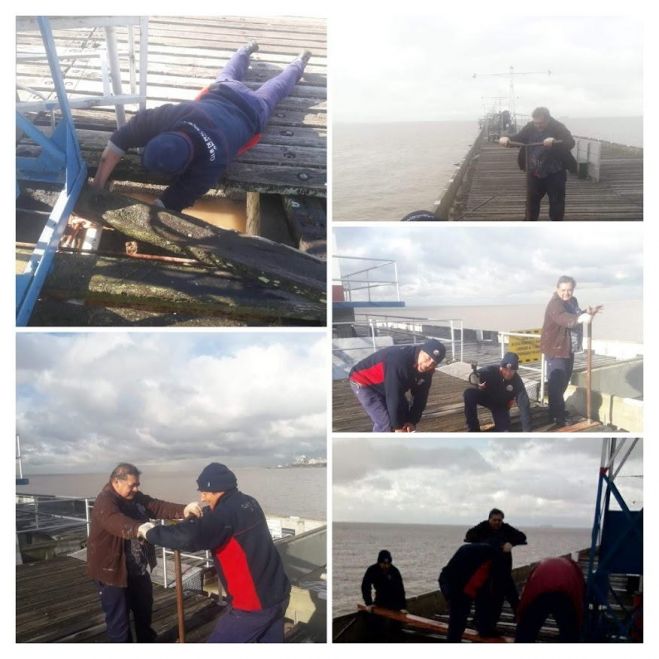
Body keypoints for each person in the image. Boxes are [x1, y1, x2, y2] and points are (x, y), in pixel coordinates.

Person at [91, 42, 312, 211]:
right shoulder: (169, 116)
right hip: (224, 93)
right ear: (160, 134)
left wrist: (98, 191)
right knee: (238, 78)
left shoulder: (212, 163)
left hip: (252, 111)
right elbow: (120, 140)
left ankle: (262, 53)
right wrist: (98, 187)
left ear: (186, 167)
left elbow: (170, 203)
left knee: (271, 90)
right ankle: (286, 59)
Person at [144, 463, 291, 643]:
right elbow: (221, 518)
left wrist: (150, 532)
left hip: (252, 605)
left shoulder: (223, 515)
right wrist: (198, 514)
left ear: (218, 490)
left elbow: (189, 538)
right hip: (278, 592)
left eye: (205, 493)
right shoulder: (249, 501)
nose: (202, 498)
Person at [86, 463, 200, 642]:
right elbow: (113, 520)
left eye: (138, 484)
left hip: (138, 569)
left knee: (144, 613)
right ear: (116, 482)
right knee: (119, 622)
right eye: (132, 485)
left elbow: (157, 506)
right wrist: (138, 528)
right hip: (112, 572)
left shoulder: (135, 497)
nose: (136, 488)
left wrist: (184, 509)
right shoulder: (105, 500)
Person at [540, 275, 603, 427]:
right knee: (556, 383)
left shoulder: (572, 301)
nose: (566, 293)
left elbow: (575, 314)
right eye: (563, 290)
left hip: (569, 348)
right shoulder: (555, 304)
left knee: (564, 382)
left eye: (569, 290)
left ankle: (555, 410)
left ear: (573, 290)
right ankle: (558, 415)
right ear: (557, 289)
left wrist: (586, 312)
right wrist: (582, 318)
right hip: (556, 349)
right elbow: (564, 319)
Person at [348, 339, 446, 432]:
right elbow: (394, 396)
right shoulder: (399, 361)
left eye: (433, 363)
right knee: (385, 423)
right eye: (427, 358)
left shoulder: (428, 370)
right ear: (421, 351)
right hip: (363, 380)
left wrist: (412, 421)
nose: (427, 364)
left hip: (386, 383)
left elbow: (421, 397)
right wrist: (397, 427)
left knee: (404, 412)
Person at [498, 107, 577, 220]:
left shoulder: (558, 127)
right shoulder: (530, 127)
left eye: (541, 123)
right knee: (531, 203)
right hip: (534, 172)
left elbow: (570, 143)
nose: (538, 125)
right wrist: (506, 138)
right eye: (536, 123)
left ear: (548, 119)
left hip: (555, 173)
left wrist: (554, 141)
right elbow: (518, 138)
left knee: (557, 204)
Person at [465, 509, 527, 623]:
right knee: (482, 595)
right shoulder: (482, 527)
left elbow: (522, 536)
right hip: (485, 567)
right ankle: (477, 619)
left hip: (503, 566)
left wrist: (511, 543)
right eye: (494, 520)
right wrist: (499, 544)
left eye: (499, 520)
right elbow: (469, 536)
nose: (497, 523)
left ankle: (521, 617)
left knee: (510, 593)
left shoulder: (505, 527)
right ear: (489, 519)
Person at [438, 543, 506, 641]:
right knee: (458, 620)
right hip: (457, 586)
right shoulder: (465, 559)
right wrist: (450, 596)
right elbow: (445, 578)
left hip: (474, 582)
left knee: (483, 604)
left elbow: (504, 586)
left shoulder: (493, 560)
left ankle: (484, 629)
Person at [515, 557, 585, 642]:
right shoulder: (575, 572)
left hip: (541, 594)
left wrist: (521, 615)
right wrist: (578, 621)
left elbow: (528, 594)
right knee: (569, 631)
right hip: (563, 596)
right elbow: (577, 599)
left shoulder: (539, 566)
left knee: (527, 629)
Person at [463, 352, 532, 432]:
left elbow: (524, 405)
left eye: (512, 371)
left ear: (515, 370)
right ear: (501, 367)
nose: (508, 373)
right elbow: (477, 374)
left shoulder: (517, 381)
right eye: (505, 370)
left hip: (500, 406)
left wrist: (527, 431)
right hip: (486, 397)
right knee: (469, 393)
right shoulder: (491, 370)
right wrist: (473, 378)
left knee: (504, 431)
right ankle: (473, 429)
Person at [360, 550, 407, 640]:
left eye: (387, 564)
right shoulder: (372, 570)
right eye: (383, 563)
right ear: (379, 562)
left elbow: (401, 590)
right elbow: (365, 586)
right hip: (380, 601)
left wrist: (403, 607)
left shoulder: (394, 571)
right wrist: (368, 603)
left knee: (396, 628)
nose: (385, 566)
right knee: (376, 626)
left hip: (395, 603)